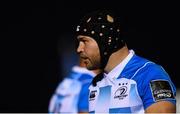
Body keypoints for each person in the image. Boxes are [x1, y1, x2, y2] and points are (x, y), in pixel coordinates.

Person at [75, 9, 176, 113]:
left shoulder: (149, 74)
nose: (79, 49)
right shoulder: (95, 83)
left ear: (106, 40)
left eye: (84, 41)